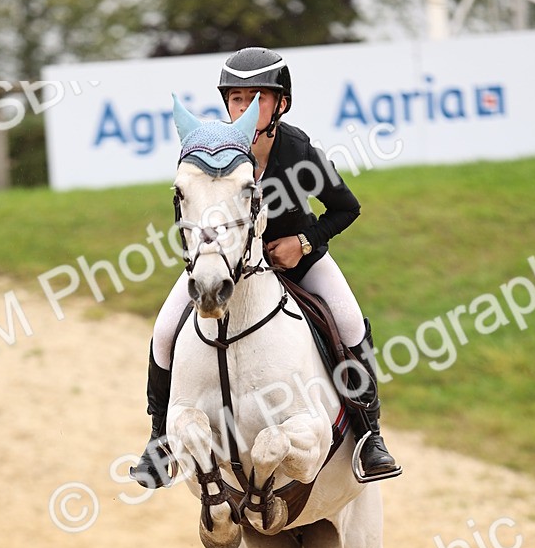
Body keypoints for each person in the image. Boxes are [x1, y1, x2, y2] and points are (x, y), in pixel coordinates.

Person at [132, 45, 400, 489]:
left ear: (281, 104)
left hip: (298, 261)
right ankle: (159, 439)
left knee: (350, 322)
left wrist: (304, 241)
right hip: (225, 265)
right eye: (237, 99)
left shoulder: (296, 151)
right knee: (163, 332)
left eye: (258, 98)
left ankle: (369, 436)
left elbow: (346, 208)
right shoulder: (210, 149)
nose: (246, 107)